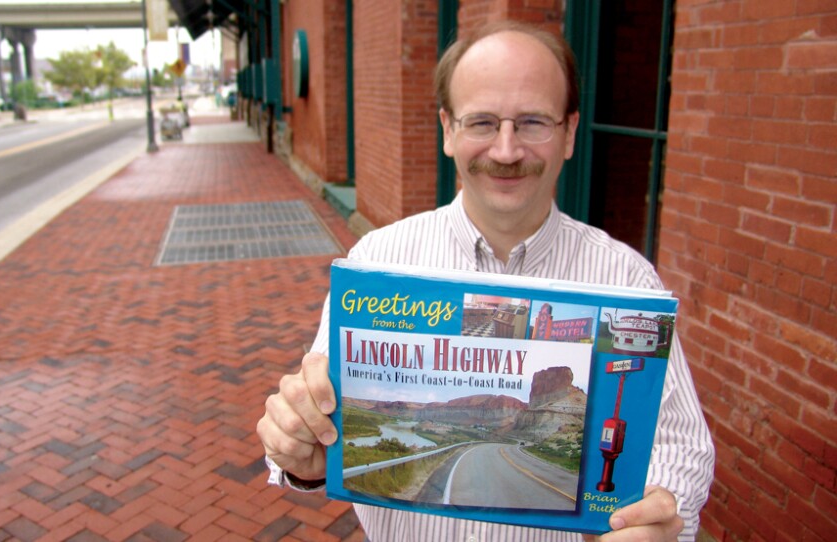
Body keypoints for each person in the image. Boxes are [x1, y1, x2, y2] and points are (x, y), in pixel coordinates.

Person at [257, 19, 715, 542]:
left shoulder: (629, 279)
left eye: (533, 122)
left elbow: (681, 445)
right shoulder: (378, 260)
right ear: (448, 130)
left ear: (569, 133)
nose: (505, 150)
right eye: (481, 123)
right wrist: (301, 448)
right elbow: (317, 425)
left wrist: (660, 519)